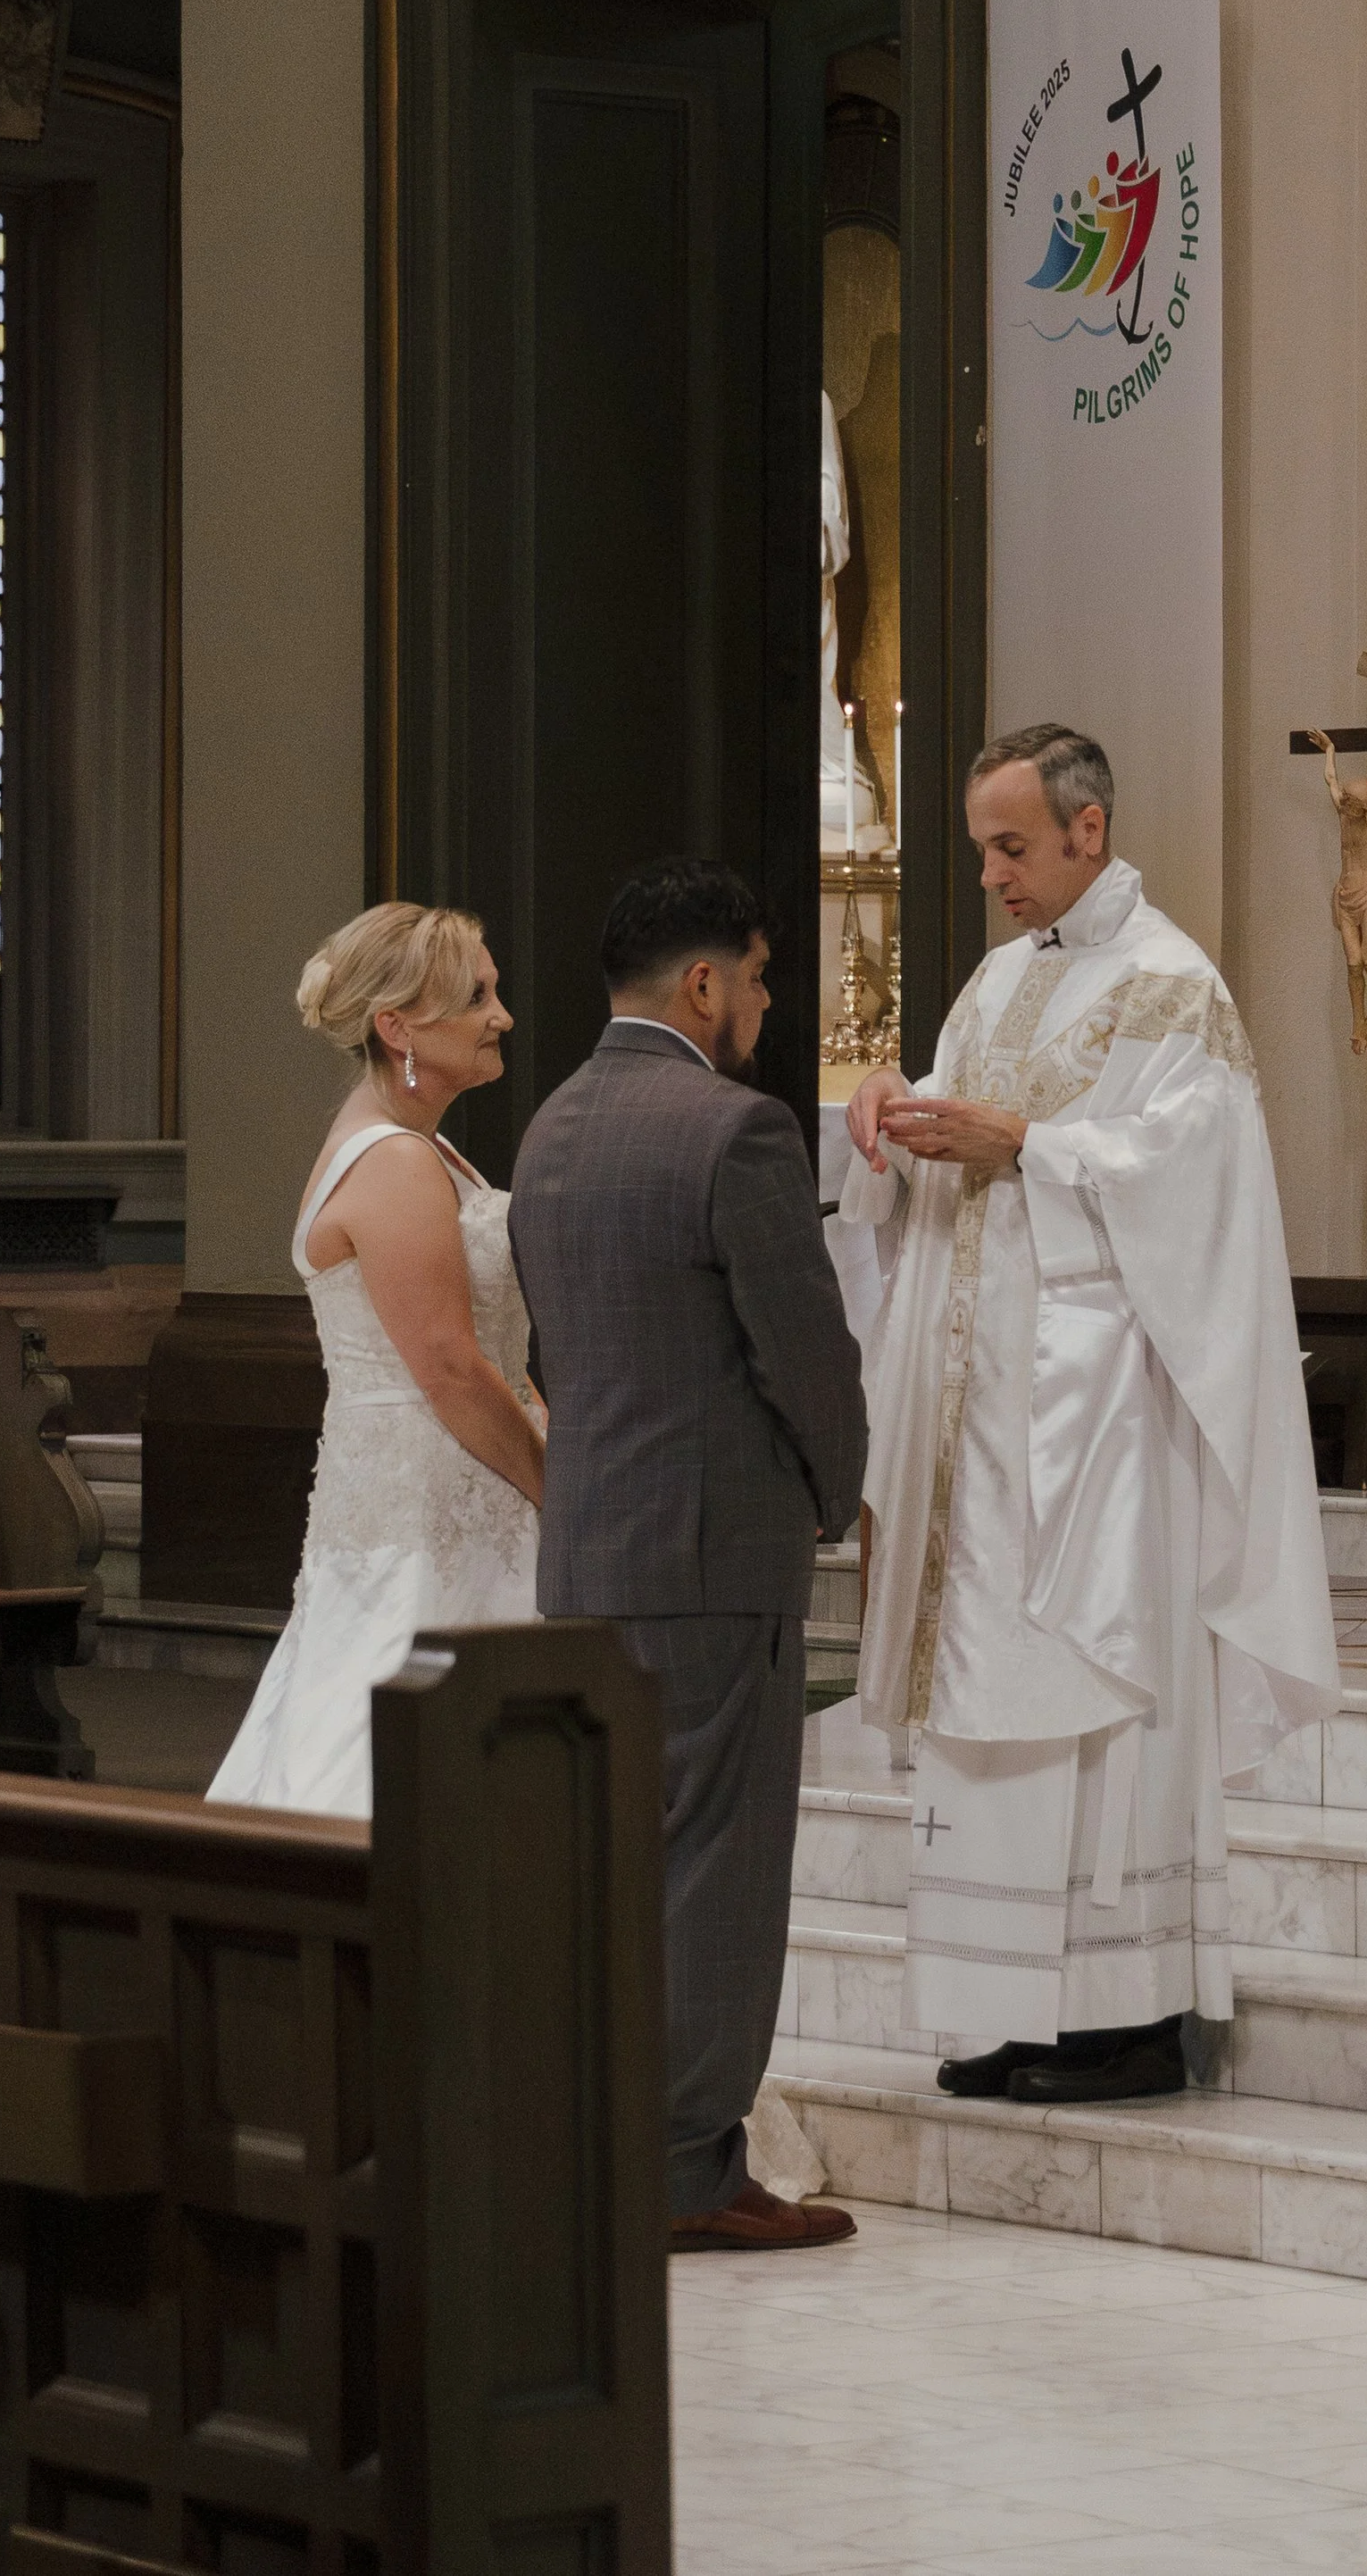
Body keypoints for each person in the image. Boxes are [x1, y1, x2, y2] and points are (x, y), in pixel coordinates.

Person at [840, 724, 1340, 2104]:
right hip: (979, 1416)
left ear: (1089, 830)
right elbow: (955, 1129)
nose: (990, 874)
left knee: (1095, 1689)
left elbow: (1200, 1183)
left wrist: (1024, 1145)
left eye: (1011, 846)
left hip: (1101, 1419)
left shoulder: (1172, 986)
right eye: (981, 848)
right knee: (988, 1708)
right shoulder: (1000, 980)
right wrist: (890, 1113)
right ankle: (1013, 2005)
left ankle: (1121, 2015)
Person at [510, 860, 867, 2252]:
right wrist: (837, 1491)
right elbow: (803, 1348)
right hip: (716, 1555)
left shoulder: (550, 1125)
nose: (768, 1005)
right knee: (717, 1866)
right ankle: (689, 2173)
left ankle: (606, 2148)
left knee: (612, 1865)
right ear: (704, 984)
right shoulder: (736, 1131)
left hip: (590, 1548)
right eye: (764, 978)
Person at [208, 904, 545, 1819]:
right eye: (476, 995)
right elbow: (445, 1365)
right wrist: (559, 1487)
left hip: (461, 1486)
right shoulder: (395, 1163)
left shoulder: (426, 1151)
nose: (500, 1014)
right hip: (437, 1499)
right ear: (397, 1026)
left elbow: (491, 1351)